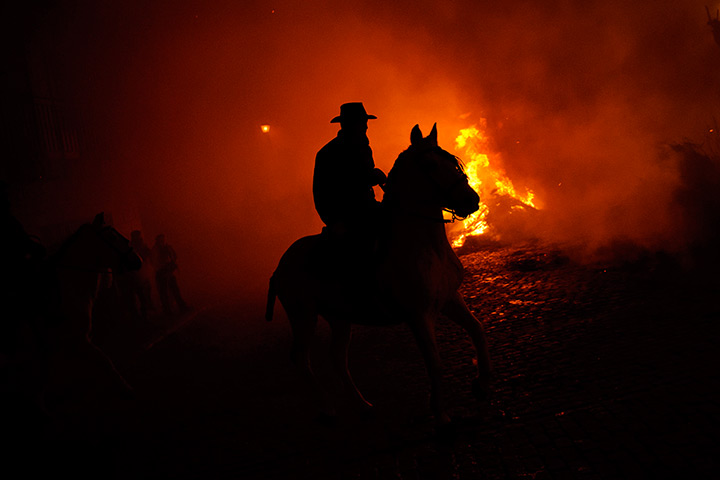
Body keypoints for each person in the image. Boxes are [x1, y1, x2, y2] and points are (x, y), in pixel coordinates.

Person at [151, 234, 189, 315]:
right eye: (161, 240)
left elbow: (173, 257)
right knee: (164, 293)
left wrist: (171, 264)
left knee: (175, 290)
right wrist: (164, 267)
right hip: (161, 273)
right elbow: (155, 262)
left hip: (168, 272)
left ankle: (181, 306)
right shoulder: (155, 249)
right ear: (157, 241)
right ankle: (167, 310)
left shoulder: (167, 247)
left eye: (163, 240)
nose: (163, 242)